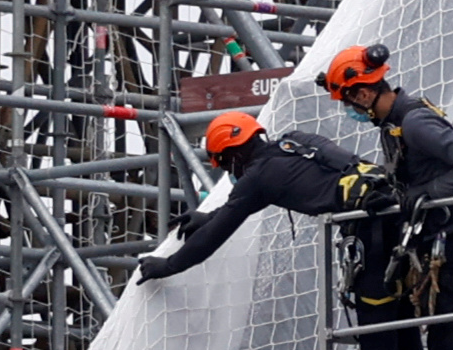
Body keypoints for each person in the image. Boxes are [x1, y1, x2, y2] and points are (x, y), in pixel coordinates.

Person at [320, 42, 453, 350]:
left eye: (348, 100)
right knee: (452, 343)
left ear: (364, 91)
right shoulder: (393, 126)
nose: (349, 109)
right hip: (441, 244)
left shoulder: (414, 122)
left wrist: (431, 191)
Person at [135, 111, 366, 284]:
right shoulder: (295, 141)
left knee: (376, 312)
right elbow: (231, 210)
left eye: (225, 164)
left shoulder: (258, 176)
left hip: (371, 224)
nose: (229, 172)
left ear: (234, 154)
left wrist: (167, 265)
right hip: (379, 202)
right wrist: (209, 217)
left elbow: (212, 237)